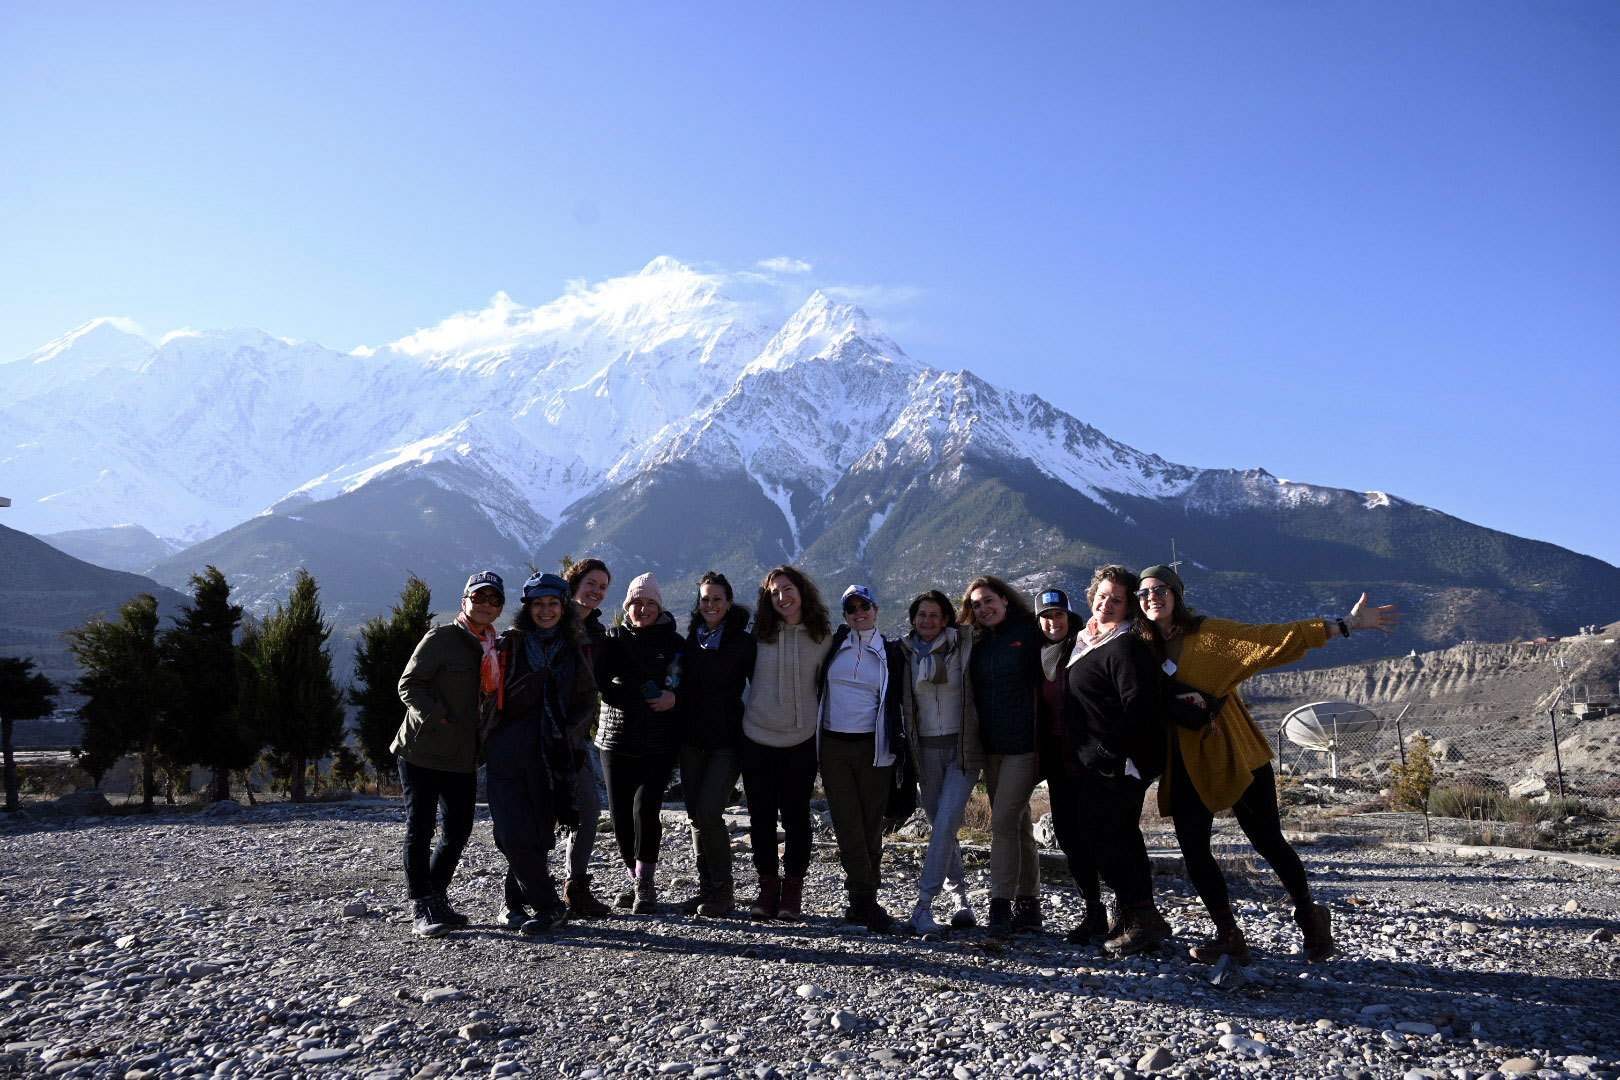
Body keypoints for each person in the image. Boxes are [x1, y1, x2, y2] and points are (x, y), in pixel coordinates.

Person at [1137, 564, 1400, 964]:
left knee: (1267, 841)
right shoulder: (1139, 645)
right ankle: (1228, 935)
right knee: (1193, 848)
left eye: (1160, 590)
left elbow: (1272, 640)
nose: (1152, 598)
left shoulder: (1209, 636)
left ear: (1176, 594)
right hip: (1185, 759)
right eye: (1144, 593)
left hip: (1237, 752)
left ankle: (1310, 916)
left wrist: (1344, 625)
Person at [1062, 565, 1170, 955]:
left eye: (1117, 600)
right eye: (1102, 595)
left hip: (1118, 762)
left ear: (1129, 609)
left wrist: (1109, 751)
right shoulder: (1089, 640)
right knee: (1122, 835)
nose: (1106, 604)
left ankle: (1143, 917)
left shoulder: (1124, 645)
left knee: (1097, 833)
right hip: (1100, 759)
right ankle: (1136, 915)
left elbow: (1138, 706)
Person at [393, 571, 504, 937]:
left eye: (494, 599)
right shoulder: (442, 637)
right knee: (420, 828)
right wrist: (438, 717)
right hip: (422, 751)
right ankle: (421, 905)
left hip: (463, 757)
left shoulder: (494, 646)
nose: (486, 604)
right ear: (464, 601)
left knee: (458, 830)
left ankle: (437, 896)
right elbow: (409, 684)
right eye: (479, 597)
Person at [485, 572, 598, 934]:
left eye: (552, 603)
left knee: (537, 833)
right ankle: (549, 904)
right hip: (508, 749)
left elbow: (585, 701)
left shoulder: (575, 649)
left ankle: (512, 905)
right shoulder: (509, 645)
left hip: (553, 756)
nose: (545, 611)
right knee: (510, 831)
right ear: (528, 609)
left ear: (564, 607)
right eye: (538, 604)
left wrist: (569, 740)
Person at [740, 565, 834, 920]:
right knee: (760, 817)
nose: (782, 597)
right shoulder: (757, 636)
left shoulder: (822, 636)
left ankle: (792, 888)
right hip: (757, 736)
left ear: (802, 591)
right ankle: (767, 887)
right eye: (774, 593)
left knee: (796, 817)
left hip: (801, 738)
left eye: (788, 589)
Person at [817, 585, 909, 931]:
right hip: (833, 745)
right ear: (845, 615)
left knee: (871, 825)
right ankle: (865, 899)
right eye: (851, 608)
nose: (859, 612)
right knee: (847, 825)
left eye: (864, 606)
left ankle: (863, 899)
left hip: (875, 746)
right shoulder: (833, 647)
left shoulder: (890, 652)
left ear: (876, 608)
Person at [595, 572, 685, 913]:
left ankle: (645, 885)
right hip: (616, 740)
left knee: (645, 809)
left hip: (660, 742)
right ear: (627, 606)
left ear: (659, 606)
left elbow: (688, 685)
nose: (643, 609)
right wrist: (631, 694)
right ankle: (635, 878)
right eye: (636, 602)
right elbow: (599, 681)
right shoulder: (613, 638)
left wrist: (673, 699)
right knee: (619, 816)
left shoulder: (675, 643)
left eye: (649, 603)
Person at [896, 589, 982, 935]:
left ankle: (922, 905)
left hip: (963, 748)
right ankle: (960, 898)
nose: (927, 621)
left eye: (934, 615)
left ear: (946, 618)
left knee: (946, 821)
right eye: (921, 615)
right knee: (941, 827)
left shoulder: (964, 644)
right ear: (913, 620)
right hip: (925, 751)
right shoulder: (903, 653)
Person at [960, 574, 1043, 933]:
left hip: (1025, 745)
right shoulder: (974, 641)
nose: (983, 609)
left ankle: (1000, 906)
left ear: (1005, 600)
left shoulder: (1029, 632)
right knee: (1019, 824)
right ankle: (1030, 905)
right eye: (976, 604)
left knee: (1003, 823)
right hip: (990, 748)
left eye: (989, 600)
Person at [534, 556, 612, 920]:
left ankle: (574, 887)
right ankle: (524, 891)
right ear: (574, 584)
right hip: (538, 739)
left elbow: (609, 682)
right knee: (537, 818)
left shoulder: (597, 635)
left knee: (589, 810)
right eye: (591, 584)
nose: (596, 592)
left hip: (575, 742)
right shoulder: (548, 625)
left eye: (602, 587)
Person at [676, 572, 755, 917]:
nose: (710, 605)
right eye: (705, 599)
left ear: (729, 602)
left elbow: (761, 688)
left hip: (726, 741)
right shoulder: (690, 640)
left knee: (709, 812)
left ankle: (724, 889)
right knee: (695, 816)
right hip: (691, 740)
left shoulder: (742, 642)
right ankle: (706, 887)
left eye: (717, 599)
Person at [1033, 587, 1108, 943]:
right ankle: (1093, 910)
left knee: (1101, 832)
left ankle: (1133, 909)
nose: (1052, 622)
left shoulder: (1087, 646)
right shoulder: (1038, 656)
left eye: (1058, 615)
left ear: (1069, 616)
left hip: (1094, 756)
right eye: (1046, 617)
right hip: (1059, 760)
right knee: (1067, 835)